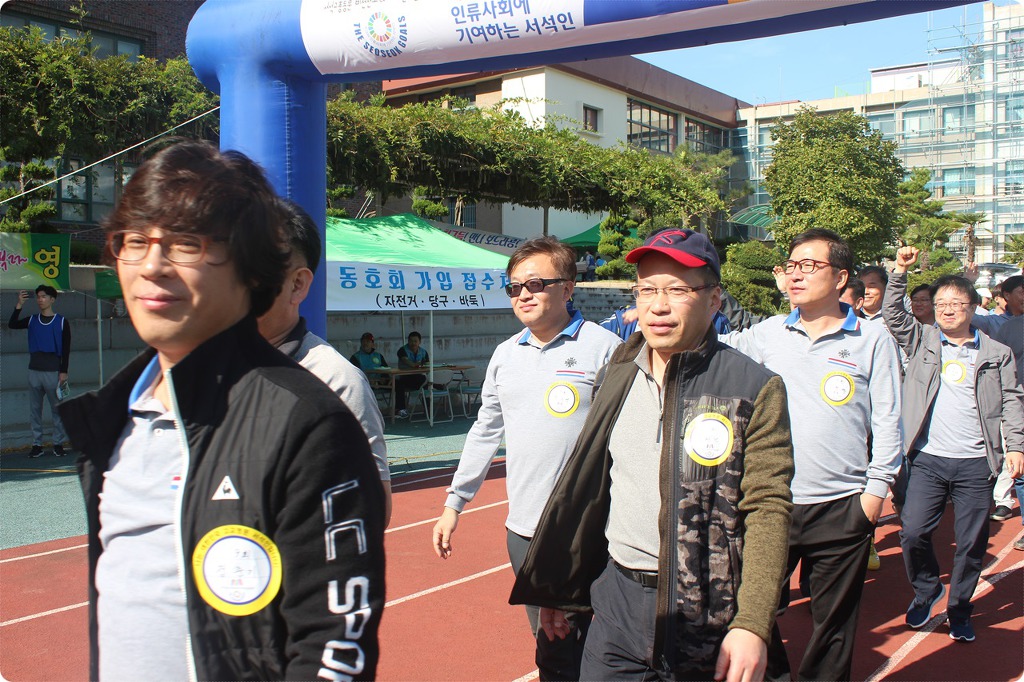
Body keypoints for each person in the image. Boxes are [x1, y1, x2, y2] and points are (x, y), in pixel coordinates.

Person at [56, 140, 386, 681]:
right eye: (134, 241)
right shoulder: (111, 418)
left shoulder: (308, 423)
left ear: (252, 269)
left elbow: (333, 647)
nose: (152, 266)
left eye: (186, 243)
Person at [511, 228, 795, 681]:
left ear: (714, 299)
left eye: (677, 290)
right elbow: (589, 486)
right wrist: (559, 587)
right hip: (618, 603)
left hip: (707, 609)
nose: (658, 306)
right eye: (646, 289)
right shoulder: (618, 371)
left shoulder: (754, 388)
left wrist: (752, 623)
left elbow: (768, 509)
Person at [431, 236, 621, 681]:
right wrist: (454, 503)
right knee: (550, 645)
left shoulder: (605, 349)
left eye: (535, 284)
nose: (523, 295)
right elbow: (485, 431)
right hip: (524, 530)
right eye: (514, 287)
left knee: (591, 646)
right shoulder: (504, 356)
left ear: (568, 288)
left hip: (588, 529)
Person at [720, 228, 903, 681]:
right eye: (791, 265)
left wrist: (874, 493)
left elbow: (888, 420)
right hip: (770, 504)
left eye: (809, 265)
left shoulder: (872, 339)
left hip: (842, 505)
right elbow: (714, 354)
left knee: (833, 629)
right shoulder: (767, 334)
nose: (795, 275)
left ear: (840, 277)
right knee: (751, 610)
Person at [883, 246, 1024, 642]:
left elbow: (1012, 399)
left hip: (976, 462)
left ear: (973, 307)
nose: (947, 310)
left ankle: (960, 608)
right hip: (927, 459)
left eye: (956, 303)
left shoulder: (996, 353)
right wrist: (899, 272)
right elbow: (893, 314)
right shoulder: (923, 340)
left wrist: (1016, 445)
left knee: (972, 543)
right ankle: (928, 590)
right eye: (941, 303)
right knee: (912, 532)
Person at [257, 199, 393, 526]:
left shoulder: (337, 380)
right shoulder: (199, 373)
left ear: (298, 284)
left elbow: (372, 508)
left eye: (252, 265)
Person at [8, 284, 71, 457]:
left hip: (53, 371)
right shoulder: (32, 320)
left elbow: (66, 349)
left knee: (57, 409)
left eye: (43, 296)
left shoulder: (61, 322)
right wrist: (19, 305)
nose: (40, 300)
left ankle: (58, 443)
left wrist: (63, 371)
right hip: (34, 370)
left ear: (52, 299)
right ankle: (37, 444)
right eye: (38, 297)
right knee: (35, 410)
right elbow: (12, 324)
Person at [989, 275, 1024, 528]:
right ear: (1006, 297)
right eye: (1021, 291)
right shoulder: (1007, 329)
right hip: (1017, 406)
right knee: (1019, 469)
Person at [395, 331, 429, 418]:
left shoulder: (424, 352)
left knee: (425, 382)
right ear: (408, 341)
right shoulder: (402, 350)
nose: (413, 343)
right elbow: (409, 363)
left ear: (419, 342)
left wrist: (424, 365)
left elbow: (428, 365)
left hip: (418, 377)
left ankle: (428, 408)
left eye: (415, 341)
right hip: (405, 377)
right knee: (399, 385)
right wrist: (418, 364)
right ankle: (401, 410)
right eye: (411, 341)